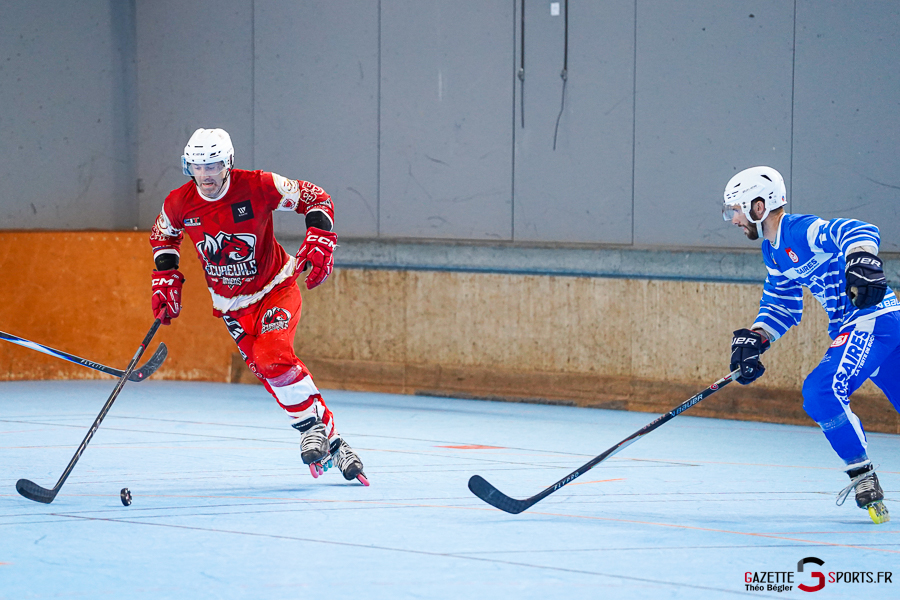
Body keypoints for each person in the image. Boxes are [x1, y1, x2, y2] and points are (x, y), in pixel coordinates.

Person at [149, 128, 368, 486]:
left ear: (228, 162)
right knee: (274, 376)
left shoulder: (258, 186)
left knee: (272, 356)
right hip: (231, 307)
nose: (205, 175)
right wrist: (166, 276)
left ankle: (310, 427)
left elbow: (315, 198)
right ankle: (335, 442)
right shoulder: (179, 202)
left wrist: (320, 237)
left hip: (275, 288)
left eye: (214, 165)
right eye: (196, 166)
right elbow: (163, 235)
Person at [723, 166, 897, 524]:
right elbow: (781, 306)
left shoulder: (800, 230)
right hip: (879, 324)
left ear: (759, 207)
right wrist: (756, 338)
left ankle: (862, 475)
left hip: (872, 319)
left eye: (736, 210)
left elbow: (858, 230)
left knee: (820, 391)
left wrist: (862, 256)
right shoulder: (773, 252)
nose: (734, 219)